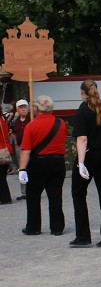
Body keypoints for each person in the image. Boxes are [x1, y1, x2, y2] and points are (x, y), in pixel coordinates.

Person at [70, 80, 101, 247]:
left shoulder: (82, 112)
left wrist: (81, 163)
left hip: (89, 155)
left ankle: (83, 236)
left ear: (82, 92)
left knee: (78, 192)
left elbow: (82, 139)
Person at [18, 95, 68, 236]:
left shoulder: (31, 126)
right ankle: (57, 227)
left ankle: (33, 227)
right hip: (58, 162)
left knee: (33, 195)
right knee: (55, 195)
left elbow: (26, 150)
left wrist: (22, 169)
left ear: (36, 108)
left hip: (38, 163)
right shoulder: (61, 123)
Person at [9, 99, 31, 199]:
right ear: (17, 109)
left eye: (25, 107)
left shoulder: (31, 119)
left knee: (31, 168)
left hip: (31, 148)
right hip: (20, 147)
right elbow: (12, 132)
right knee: (22, 169)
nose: (23, 109)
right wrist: (16, 143)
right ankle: (24, 192)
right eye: (21, 107)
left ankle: (33, 189)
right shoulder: (15, 121)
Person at [0, 113, 13, 205]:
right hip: (6, 149)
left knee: (1, 177)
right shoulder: (2, 120)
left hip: (1, 149)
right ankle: (5, 197)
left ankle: (5, 198)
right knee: (2, 175)